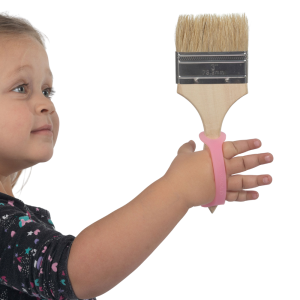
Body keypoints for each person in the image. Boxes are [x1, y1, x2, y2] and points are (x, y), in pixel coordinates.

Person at [0, 13, 273, 300]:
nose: (45, 104)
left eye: (47, 90)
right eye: (21, 88)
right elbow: (71, 272)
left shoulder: (19, 219)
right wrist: (177, 191)